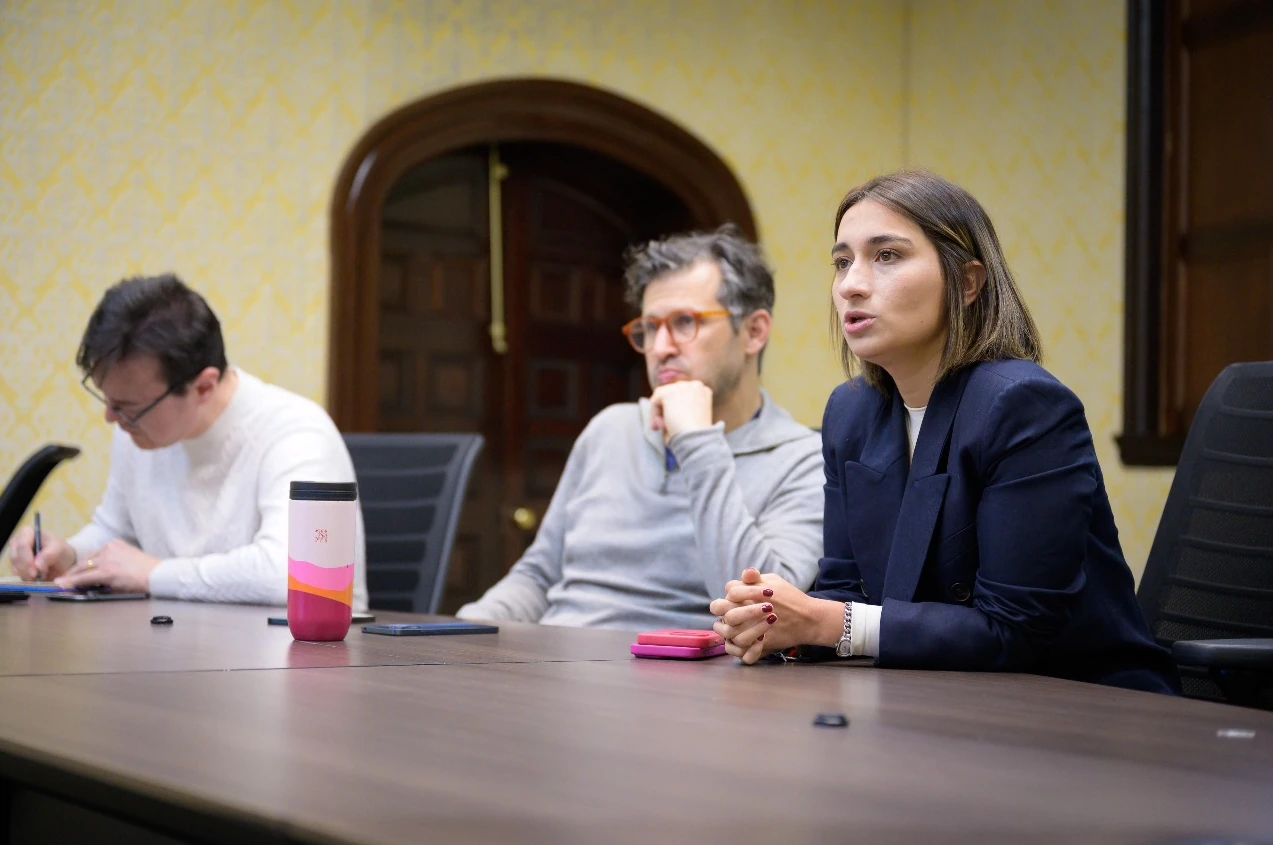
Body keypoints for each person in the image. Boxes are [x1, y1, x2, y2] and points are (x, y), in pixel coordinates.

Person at [711, 172, 1179, 694]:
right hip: (930, 697)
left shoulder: (1024, 405)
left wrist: (828, 623)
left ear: (967, 282)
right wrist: (774, 621)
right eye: (842, 262)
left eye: (886, 255)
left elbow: (1016, 630)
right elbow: (844, 593)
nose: (850, 285)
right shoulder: (850, 412)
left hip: (1082, 703)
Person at [457, 226, 823, 630]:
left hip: (670, 665)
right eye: (650, 327)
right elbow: (538, 577)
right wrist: (462, 632)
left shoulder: (804, 459)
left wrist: (697, 443)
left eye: (685, 322)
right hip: (553, 654)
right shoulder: (610, 429)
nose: (660, 347)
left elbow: (763, 611)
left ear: (754, 332)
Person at [7, 273, 369, 610]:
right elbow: (116, 533)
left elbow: (291, 574)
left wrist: (153, 574)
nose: (111, 418)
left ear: (203, 387)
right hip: (182, 642)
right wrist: (70, 554)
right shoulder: (138, 430)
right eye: (108, 400)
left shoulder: (296, 433)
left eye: (127, 407)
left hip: (298, 653)